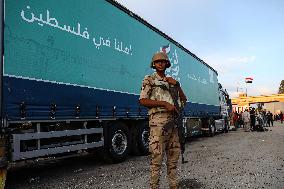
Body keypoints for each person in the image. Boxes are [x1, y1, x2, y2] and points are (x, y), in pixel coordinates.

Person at [139, 52, 187, 189]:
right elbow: (142, 100)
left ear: (167, 64)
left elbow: (184, 100)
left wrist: (177, 84)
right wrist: (164, 104)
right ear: (154, 64)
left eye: (163, 61)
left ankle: (174, 185)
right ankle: (154, 186)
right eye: (157, 61)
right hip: (158, 122)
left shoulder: (171, 82)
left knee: (173, 159)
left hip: (174, 123)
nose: (160, 63)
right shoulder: (150, 79)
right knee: (157, 159)